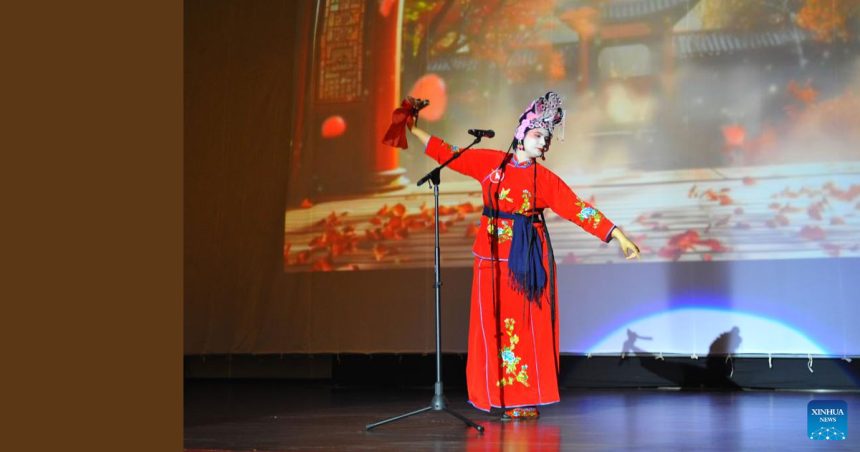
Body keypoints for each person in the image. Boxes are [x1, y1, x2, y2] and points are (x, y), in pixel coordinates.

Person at [403, 92, 641, 420]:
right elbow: (449, 154)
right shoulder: (490, 163)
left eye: (547, 138)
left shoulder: (544, 180)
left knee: (524, 329)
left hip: (526, 261)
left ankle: (520, 398)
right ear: (521, 133)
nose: (543, 143)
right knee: (493, 327)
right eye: (538, 135)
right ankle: (492, 395)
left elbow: (577, 208)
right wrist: (414, 129)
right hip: (490, 257)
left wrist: (617, 235)